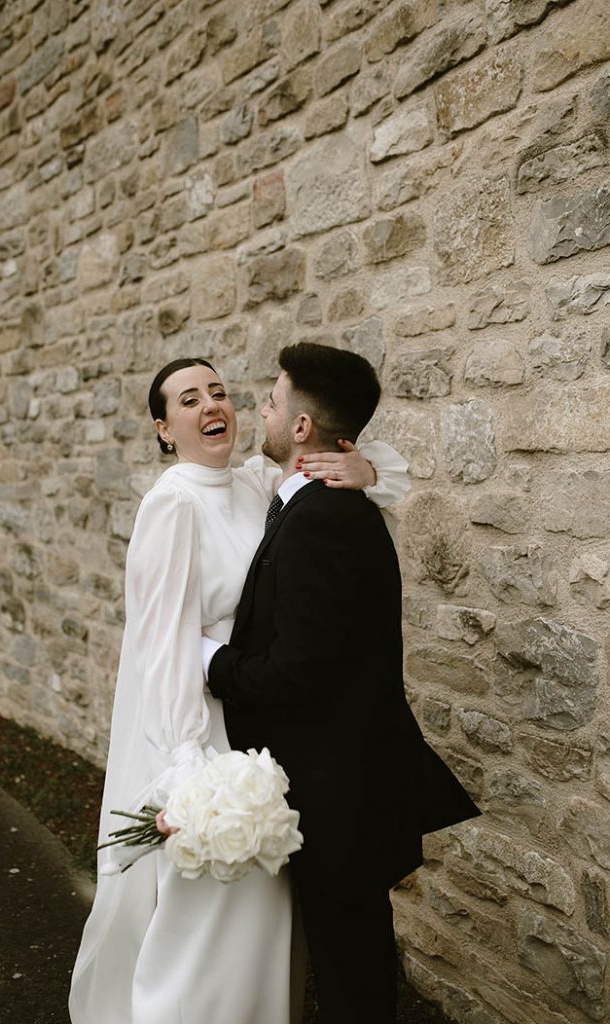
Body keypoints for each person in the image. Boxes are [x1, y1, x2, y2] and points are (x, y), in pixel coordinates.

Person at [69, 356, 410, 1024]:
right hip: (203, 722)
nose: (211, 406)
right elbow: (160, 643)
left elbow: (331, 474)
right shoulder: (172, 502)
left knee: (268, 911)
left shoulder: (256, 482)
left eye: (218, 392)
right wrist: (184, 759)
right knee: (211, 908)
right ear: (165, 430)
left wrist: (364, 469)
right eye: (188, 400)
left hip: (266, 724)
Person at [204, 342, 481, 1024]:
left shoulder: (322, 519)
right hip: (343, 783)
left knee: (349, 964)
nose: (260, 412)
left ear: (301, 428)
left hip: (338, 794)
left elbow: (296, 671)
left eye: (271, 402)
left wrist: (209, 662)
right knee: (347, 953)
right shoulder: (319, 502)